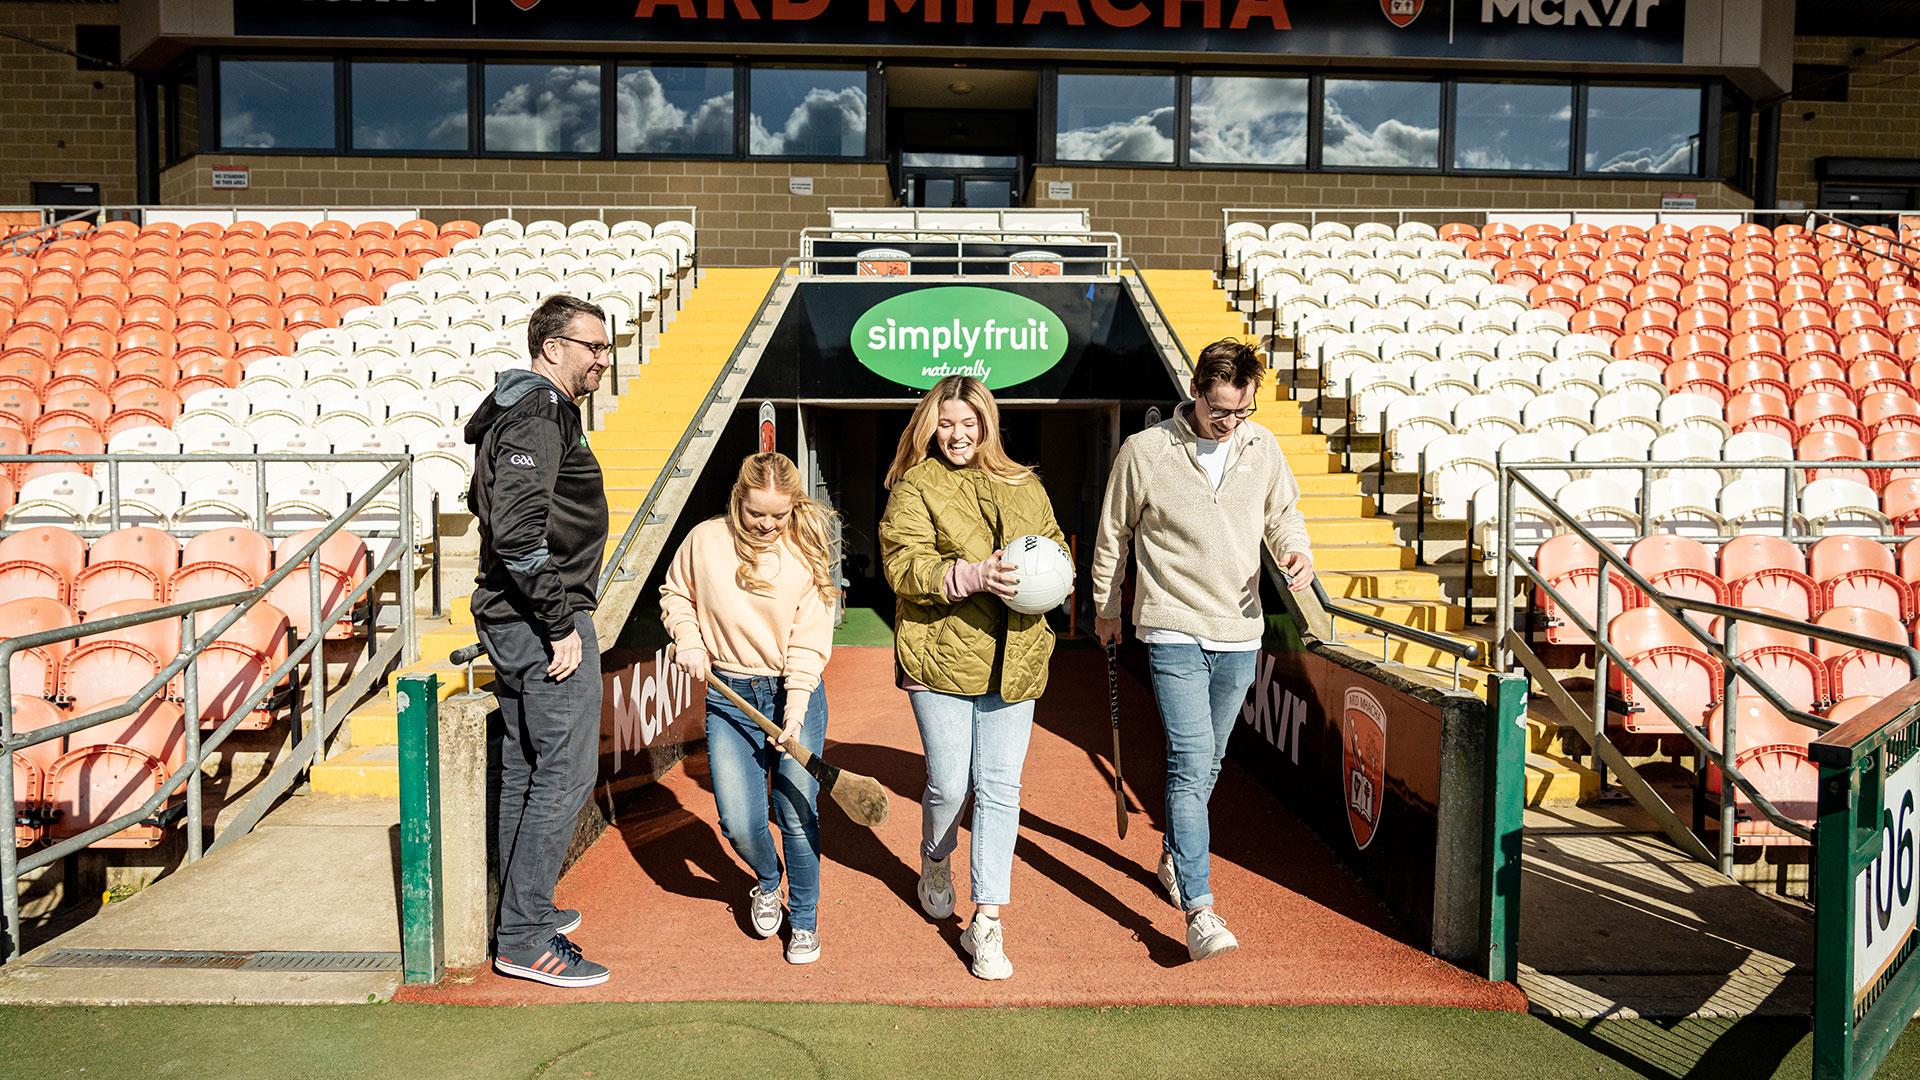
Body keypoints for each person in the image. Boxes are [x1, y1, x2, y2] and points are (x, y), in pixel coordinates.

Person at [1089, 338, 1315, 963]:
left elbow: (1283, 515)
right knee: (1191, 762)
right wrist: (1106, 609)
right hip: (1171, 625)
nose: (1230, 423)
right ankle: (1200, 908)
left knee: (1210, 761)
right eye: (1220, 411)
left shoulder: (1261, 446)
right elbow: (1113, 535)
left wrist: (1297, 550)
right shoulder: (1146, 451)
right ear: (1195, 392)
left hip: (1240, 631)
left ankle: (1172, 855)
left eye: (1241, 411)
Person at [878, 374, 1066, 981]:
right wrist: (971, 575)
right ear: (930, 425)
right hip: (940, 656)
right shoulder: (915, 486)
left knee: (1001, 788)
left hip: (1017, 657)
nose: (958, 435)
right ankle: (936, 860)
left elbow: (1055, 544)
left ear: (987, 424)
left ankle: (987, 921)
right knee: (950, 786)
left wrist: (1053, 576)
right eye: (947, 423)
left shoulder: (1024, 482)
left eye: (969, 423)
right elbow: (903, 566)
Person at [466, 294, 614, 988]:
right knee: (566, 772)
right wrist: (558, 622)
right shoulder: (538, 410)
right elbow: (519, 533)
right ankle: (524, 937)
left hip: (518, 615)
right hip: (538, 621)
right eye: (594, 347)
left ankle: (520, 913)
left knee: (528, 767)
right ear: (553, 346)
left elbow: (490, 509)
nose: (603, 359)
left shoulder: (522, 410)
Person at [661, 452, 838, 965]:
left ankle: (803, 920)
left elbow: (808, 646)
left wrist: (795, 715)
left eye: (778, 515)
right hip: (727, 693)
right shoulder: (704, 540)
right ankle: (767, 879)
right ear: (738, 499)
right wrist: (690, 641)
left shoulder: (805, 553)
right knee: (739, 822)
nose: (766, 525)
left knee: (796, 813)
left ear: (793, 508)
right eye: (756, 512)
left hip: (792, 691)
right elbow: (676, 595)